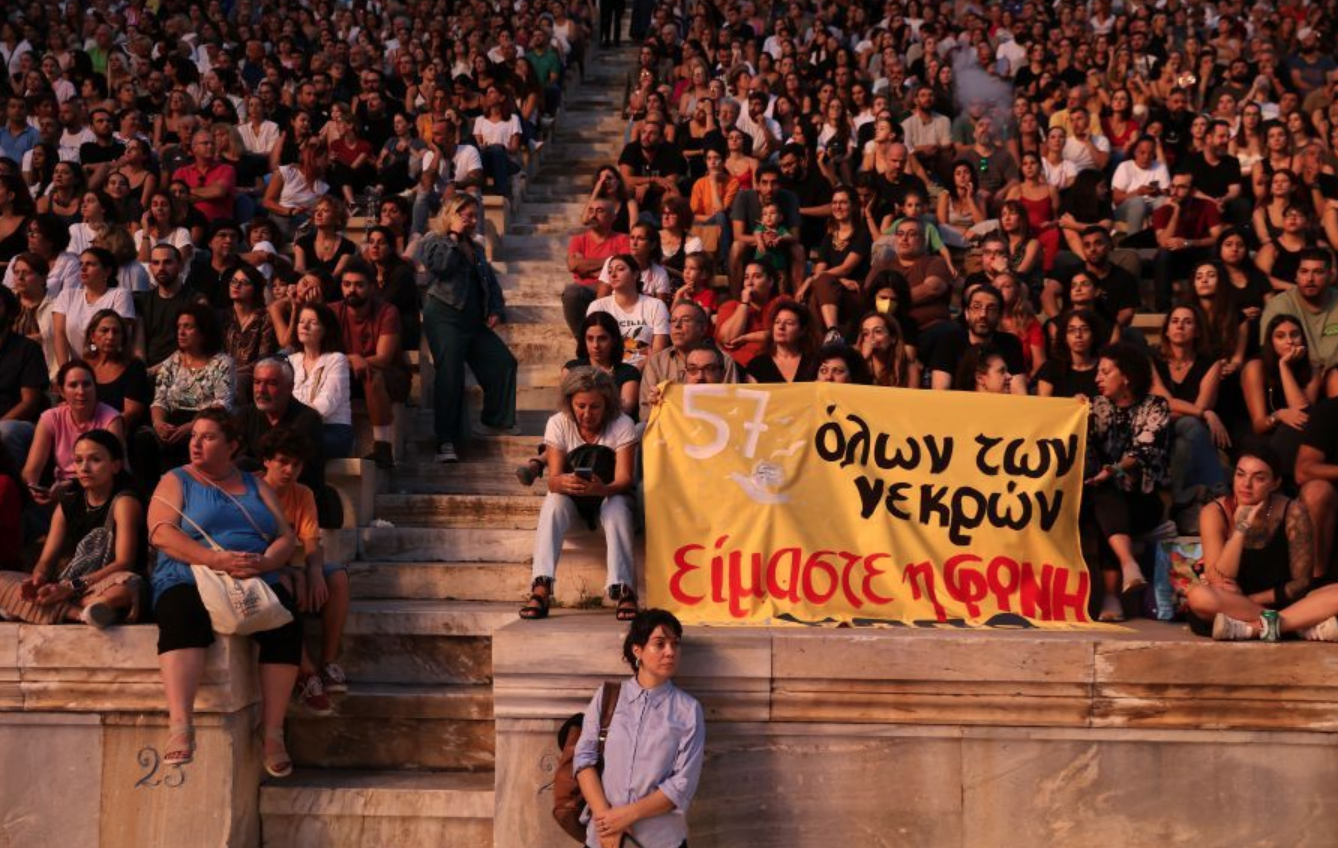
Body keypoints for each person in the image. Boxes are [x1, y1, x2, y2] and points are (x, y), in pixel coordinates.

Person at [145, 409, 299, 776]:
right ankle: (180, 725)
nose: (196, 443)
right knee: (181, 613)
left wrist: (263, 563)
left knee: (287, 623)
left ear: (232, 445)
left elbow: (285, 536)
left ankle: (273, 733)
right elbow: (160, 532)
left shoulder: (255, 483)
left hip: (252, 573)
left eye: (208, 436)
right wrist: (215, 559)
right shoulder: (176, 479)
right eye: (194, 435)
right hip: (190, 569)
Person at [574, 608, 705, 848]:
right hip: (604, 841)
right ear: (638, 650)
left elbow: (681, 784)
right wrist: (607, 822)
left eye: (675, 644)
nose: (670, 652)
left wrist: (626, 816)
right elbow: (584, 760)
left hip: (660, 841)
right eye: (660, 644)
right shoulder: (607, 696)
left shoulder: (688, 711)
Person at [1187, 444, 1338, 642]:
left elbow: (1301, 583)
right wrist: (1241, 529)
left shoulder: (1293, 511)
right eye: (1240, 475)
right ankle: (1300, 627)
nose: (1246, 484)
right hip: (1231, 605)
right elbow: (1218, 580)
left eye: (1259, 478)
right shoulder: (1214, 512)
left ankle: (1252, 629)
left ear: (1275, 483)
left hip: (1283, 602)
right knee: (1199, 596)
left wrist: (1252, 600)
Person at [521, 368, 638, 621]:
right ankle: (541, 585)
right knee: (553, 503)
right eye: (580, 406)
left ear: (607, 404)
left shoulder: (622, 424)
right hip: (573, 502)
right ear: (570, 403)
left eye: (595, 407)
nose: (587, 414)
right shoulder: (558, 423)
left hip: (610, 495)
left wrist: (602, 489)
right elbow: (552, 481)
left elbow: (625, 479)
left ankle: (625, 588)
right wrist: (565, 482)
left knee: (616, 506)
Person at [0, 429, 143, 626]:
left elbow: (124, 562)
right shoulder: (67, 503)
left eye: (95, 460)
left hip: (104, 582)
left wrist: (72, 587)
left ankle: (53, 608)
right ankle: (81, 612)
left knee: (126, 586)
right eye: (78, 460)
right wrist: (38, 580)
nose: (84, 468)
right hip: (69, 585)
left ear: (116, 465)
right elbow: (47, 560)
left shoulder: (124, 502)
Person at [418, 195, 518, 464]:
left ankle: (494, 420)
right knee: (450, 375)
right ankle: (445, 441)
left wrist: (496, 308)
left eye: (474, 216)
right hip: (444, 315)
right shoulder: (433, 240)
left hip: (472, 320)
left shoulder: (475, 246)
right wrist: (452, 236)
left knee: (503, 362)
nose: (470, 220)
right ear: (449, 214)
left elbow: (489, 281)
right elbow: (441, 267)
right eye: (464, 214)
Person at [257, 428, 350, 714]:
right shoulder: (251, 490)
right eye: (283, 461)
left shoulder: (302, 493)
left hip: (287, 564)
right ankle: (307, 674)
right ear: (267, 461)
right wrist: (285, 572)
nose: (289, 470)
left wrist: (313, 571)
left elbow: (311, 541)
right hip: (257, 568)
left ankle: (329, 662)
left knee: (337, 576)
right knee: (281, 586)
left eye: (296, 465)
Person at [1083, 343, 1171, 622]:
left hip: (1144, 500)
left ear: (1127, 376)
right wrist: (1073, 412)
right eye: (1097, 372)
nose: (1098, 378)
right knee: (1103, 497)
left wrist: (1115, 470)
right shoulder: (1096, 407)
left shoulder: (1156, 406)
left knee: (1105, 493)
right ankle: (1128, 564)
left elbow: (1144, 450)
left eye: (1105, 372)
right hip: (1105, 498)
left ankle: (1111, 598)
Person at [134, 303, 235, 492]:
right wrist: (158, 423)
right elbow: (160, 399)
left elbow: (222, 404)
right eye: (179, 327)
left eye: (188, 327)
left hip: (204, 423)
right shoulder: (173, 360)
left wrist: (192, 428)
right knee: (142, 440)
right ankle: (148, 497)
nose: (181, 332)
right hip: (171, 422)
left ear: (204, 331)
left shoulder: (223, 363)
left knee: (195, 442)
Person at [331, 261, 413, 468]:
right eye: (347, 284)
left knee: (371, 372)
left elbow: (383, 357)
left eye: (359, 285)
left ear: (372, 287)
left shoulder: (387, 311)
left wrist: (355, 361)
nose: (351, 290)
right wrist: (351, 359)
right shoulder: (332, 311)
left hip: (389, 376)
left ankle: (383, 447)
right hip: (345, 372)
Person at [1151, 305, 1229, 513]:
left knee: (1184, 444)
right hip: (1158, 431)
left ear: (1197, 331)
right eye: (1175, 321)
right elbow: (1164, 403)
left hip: (1190, 433)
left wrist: (1200, 411)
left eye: (1187, 322)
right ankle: (1220, 491)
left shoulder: (1211, 363)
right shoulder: (1153, 360)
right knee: (1192, 422)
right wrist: (1206, 414)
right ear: (1166, 330)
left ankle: (1181, 506)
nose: (1180, 326)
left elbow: (1199, 404)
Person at [22, 360, 126, 502]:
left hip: (99, 489)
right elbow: (32, 470)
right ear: (62, 391)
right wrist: (32, 490)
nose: (81, 391)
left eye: (87, 384)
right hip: (61, 491)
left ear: (95, 388)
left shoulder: (111, 418)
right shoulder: (51, 417)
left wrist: (73, 485)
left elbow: (115, 470)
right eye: (73, 385)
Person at [1242, 315, 1322, 478]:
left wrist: (1284, 366)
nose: (1289, 341)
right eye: (1280, 336)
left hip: (1298, 433)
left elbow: (1303, 412)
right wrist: (1279, 415)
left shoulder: (1313, 370)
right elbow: (1258, 425)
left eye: (1295, 334)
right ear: (1270, 342)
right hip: (1263, 435)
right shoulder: (1255, 366)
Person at [640, 300, 740, 421]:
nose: (677, 325)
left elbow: (731, 405)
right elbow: (646, 411)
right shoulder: (656, 362)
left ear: (702, 329)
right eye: (673, 321)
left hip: (713, 426)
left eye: (685, 320)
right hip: (667, 426)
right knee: (640, 429)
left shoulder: (724, 360)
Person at [930, 285, 1028, 394]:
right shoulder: (950, 340)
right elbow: (940, 391)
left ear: (999, 316)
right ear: (966, 313)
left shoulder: (1010, 343)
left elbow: (1019, 392)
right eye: (976, 307)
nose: (983, 315)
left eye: (991, 309)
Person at [288, 303, 353, 460]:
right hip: (294, 430)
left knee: (292, 446)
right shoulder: (291, 360)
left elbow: (327, 402)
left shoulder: (337, 359)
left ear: (326, 329)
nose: (305, 326)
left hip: (333, 430)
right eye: (301, 321)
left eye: (313, 322)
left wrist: (295, 425)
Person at [52, 247, 135, 367]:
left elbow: (119, 337)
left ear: (107, 271)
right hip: (75, 369)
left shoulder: (119, 295)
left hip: (107, 367)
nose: (83, 268)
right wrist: (64, 371)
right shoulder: (67, 295)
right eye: (81, 264)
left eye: (90, 264)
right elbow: (59, 334)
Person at [587, 253, 670, 369]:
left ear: (635, 274)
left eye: (620, 269)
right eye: (610, 272)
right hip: (607, 370)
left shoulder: (656, 305)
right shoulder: (598, 306)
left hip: (645, 369)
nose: (613, 274)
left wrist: (635, 371)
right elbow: (592, 348)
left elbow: (658, 350)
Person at [565, 197, 631, 337]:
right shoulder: (579, 240)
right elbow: (573, 265)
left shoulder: (624, 239)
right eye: (591, 211)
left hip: (613, 289)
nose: (593, 215)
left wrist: (586, 266)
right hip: (585, 291)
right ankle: (583, 342)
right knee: (571, 292)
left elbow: (622, 270)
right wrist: (610, 261)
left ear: (613, 217)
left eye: (599, 211)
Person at [135, 244, 205, 373]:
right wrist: (141, 372)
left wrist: (152, 372)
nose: (161, 268)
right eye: (156, 263)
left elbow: (192, 347)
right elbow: (138, 347)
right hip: (147, 373)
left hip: (183, 371)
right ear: (150, 268)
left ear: (180, 266)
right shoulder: (142, 301)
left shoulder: (196, 301)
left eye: (167, 262)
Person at [220, 262, 278, 404]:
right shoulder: (222, 316)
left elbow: (264, 357)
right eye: (233, 281)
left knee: (240, 381)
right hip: (221, 372)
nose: (236, 286)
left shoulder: (265, 318)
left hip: (251, 375)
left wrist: (234, 372)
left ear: (255, 289)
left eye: (243, 283)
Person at [83, 309, 149, 430]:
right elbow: (65, 403)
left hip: (119, 432)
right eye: (104, 330)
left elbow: (132, 412)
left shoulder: (134, 367)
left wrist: (101, 430)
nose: (110, 336)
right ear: (92, 336)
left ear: (122, 338)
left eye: (116, 332)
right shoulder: (82, 366)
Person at [171, 129, 237, 223]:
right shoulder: (181, 172)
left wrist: (187, 192)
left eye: (212, 143)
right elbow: (176, 197)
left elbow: (218, 191)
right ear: (194, 148)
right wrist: (209, 193)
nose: (210, 146)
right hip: (188, 224)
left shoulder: (226, 169)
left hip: (218, 225)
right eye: (205, 143)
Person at [746, 299, 820, 384]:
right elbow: (750, 396)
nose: (781, 327)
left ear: (802, 330)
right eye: (777, 322)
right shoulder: (757, 365)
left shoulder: (814, 362)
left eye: (789, 323)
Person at [1037, 310, 1105, 400]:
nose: (1078, 335)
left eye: (1084, 329)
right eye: (1071, 330)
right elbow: (1043, 407)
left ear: (1093, 335)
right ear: (1065, 337)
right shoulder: (1050, 368)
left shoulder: (1105, 368)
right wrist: (1071, 405)